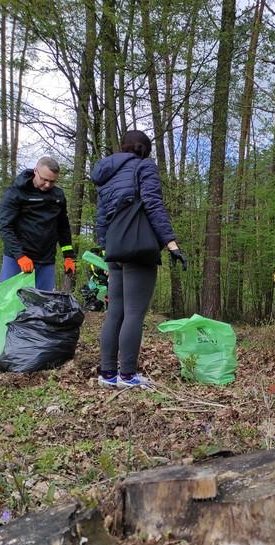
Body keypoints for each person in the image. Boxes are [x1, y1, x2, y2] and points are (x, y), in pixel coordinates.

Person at [91, 130, 187, 389]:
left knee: (115, 312)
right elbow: (153, 204)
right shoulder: (144, 166)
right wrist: (171, 243)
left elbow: (101, 217)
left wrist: (106, 250)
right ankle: (128, 375)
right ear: (144, 149)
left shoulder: (107, 175)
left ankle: (107, 374)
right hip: (138, 247)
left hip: (114, 248)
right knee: (134, 313)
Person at [0, 156, 75, 291]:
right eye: (44, 179)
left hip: (46, 261)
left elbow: (63, 227)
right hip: (17, 259)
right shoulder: (15, 192)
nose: (48, 185)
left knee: (43, 302)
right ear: (35, 171)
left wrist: (68, 256)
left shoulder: (58, 196)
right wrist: (20, 256)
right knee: (9, 301)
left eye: (52, 181)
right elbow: (5, 227)